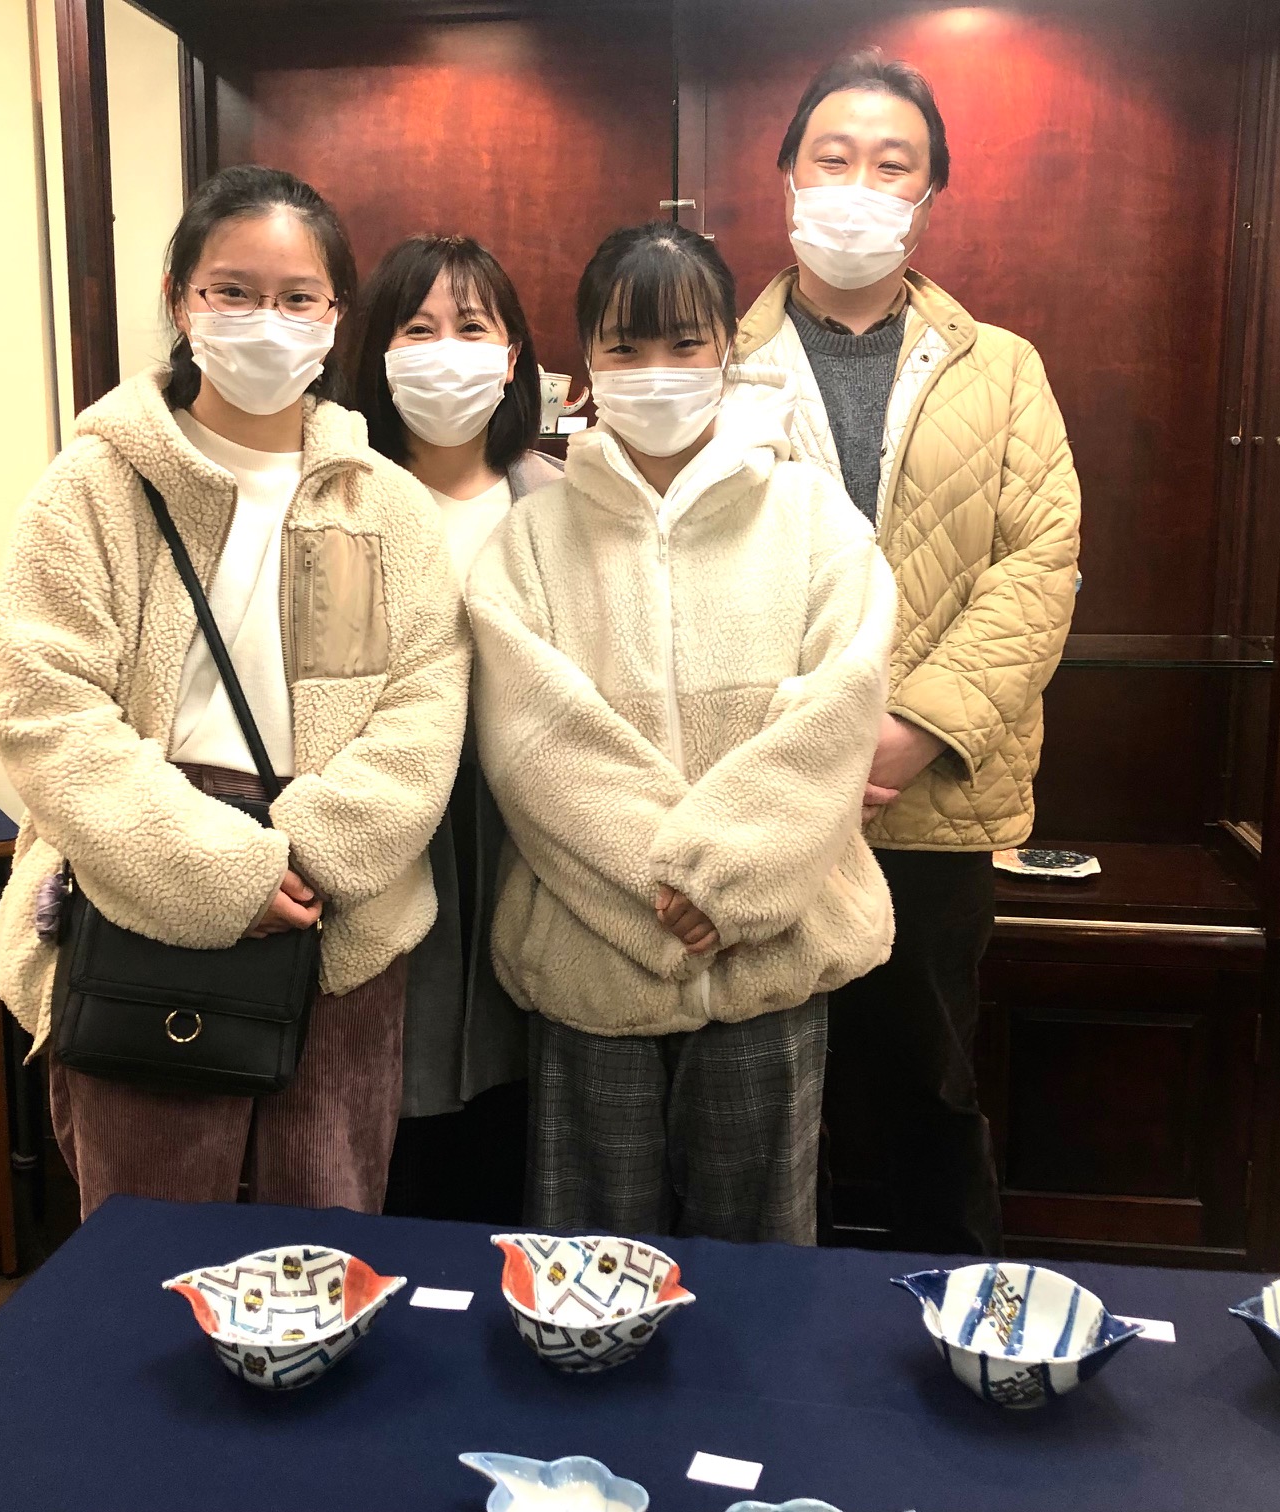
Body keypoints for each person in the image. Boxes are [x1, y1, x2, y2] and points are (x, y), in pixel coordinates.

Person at [0, 166, 469, 1220]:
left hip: (338, 913)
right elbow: (47, 710)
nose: (267, 320)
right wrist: (214, 872)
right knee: (151, 1248)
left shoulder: (385, 506)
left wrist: (310, 856)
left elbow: (423, 708)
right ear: (180, 298)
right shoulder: (93, 488)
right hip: (143, 886)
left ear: (336, 315)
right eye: (233, 291)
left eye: (298, 297)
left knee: (326, 1235)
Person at [467, 221, 897, 1244]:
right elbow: (530, 741)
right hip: (593, 960)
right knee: (589, 1262)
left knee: (759, 1267)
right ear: (585, 361)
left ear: (727, 350)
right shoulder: (533, 534)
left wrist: (725, 882)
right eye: (625, 346)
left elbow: (839, 709)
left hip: (768, 955)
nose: (656, 369)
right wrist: (662, 884)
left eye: (685, 342)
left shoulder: (814, 517)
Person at [731, 49, 1081, 1254]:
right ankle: (777, 1343)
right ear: (786, 174)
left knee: (931, 1095)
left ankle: (963, 1331)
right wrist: (808, 745)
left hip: (932, 805)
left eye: (894, 165)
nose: (858, 185)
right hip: (761, 797)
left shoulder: (1004, 369)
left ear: (932, 194)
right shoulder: (712, 363)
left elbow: (1039, 567)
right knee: (766, 1108)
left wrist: (912, 728)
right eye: (832, 157)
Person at [346, 233, 561, 1221]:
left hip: (532, 833)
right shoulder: (340, 497)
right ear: (378, 353)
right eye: (417, 328)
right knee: (400, 1108)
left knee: (517, 1108)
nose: (446, 351)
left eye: (472, 328)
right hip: (390, 830)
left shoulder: (560, 500)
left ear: (512, 356)